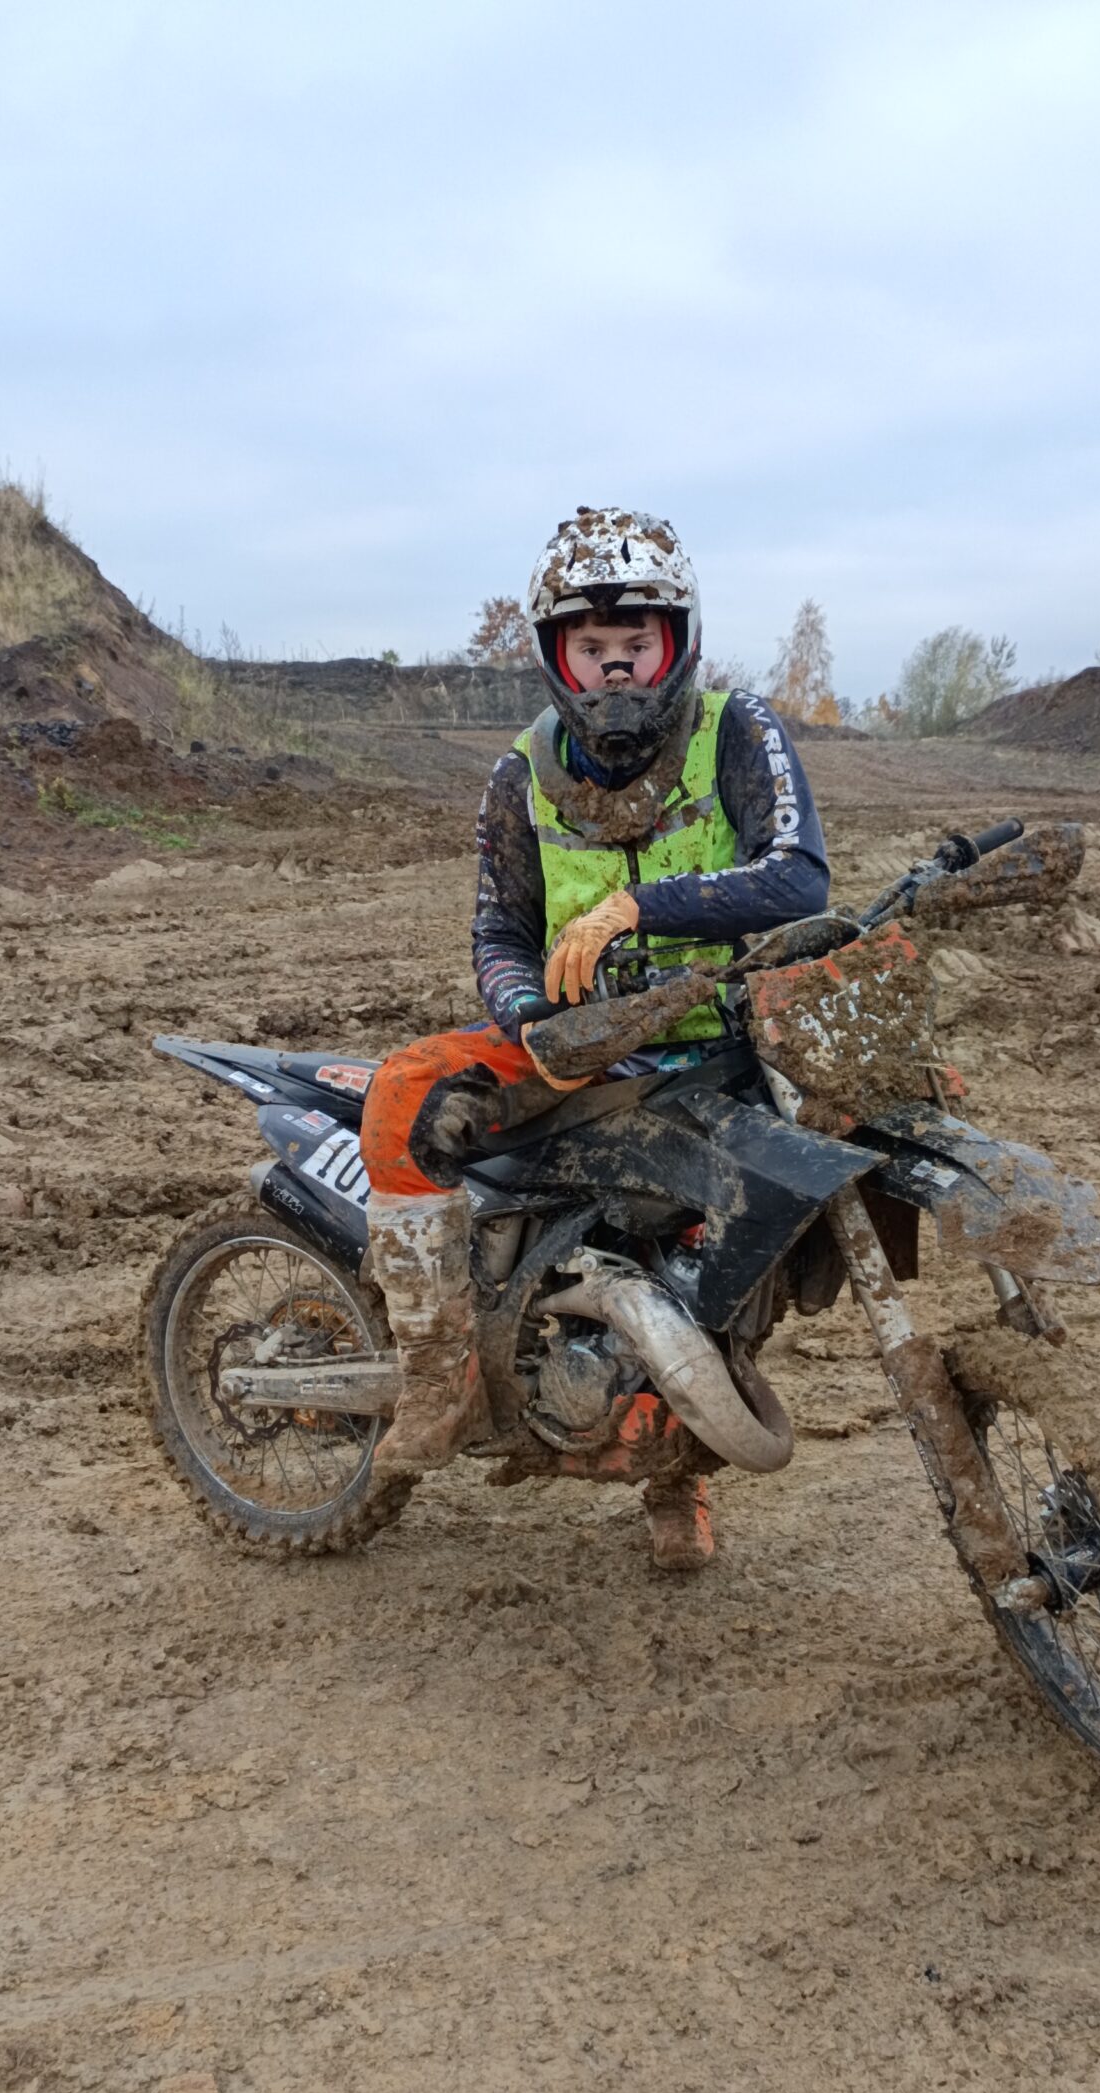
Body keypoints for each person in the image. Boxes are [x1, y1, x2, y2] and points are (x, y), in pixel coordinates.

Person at [360, 506, 831, 1567]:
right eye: (591, 648)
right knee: (401, 1093)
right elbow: (499, 930)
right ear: (554, 656)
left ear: (678, 644)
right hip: (577, 1046)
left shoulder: (736, 731)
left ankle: (676, 1472)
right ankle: (437, 1377)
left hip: (724, 1043)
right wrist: (528, 1017)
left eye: (635, 645)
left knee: (718, 1278)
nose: (614, 668)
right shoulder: (520, 773)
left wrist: (637, 908)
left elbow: (799, 877)